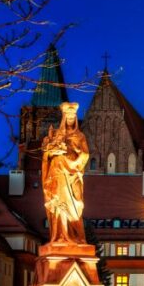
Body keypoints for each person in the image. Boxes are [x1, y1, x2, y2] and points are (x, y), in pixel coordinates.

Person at [42, 102, 90, 245]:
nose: (70, 118)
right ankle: (60, 236)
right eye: (68, 116)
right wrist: (51, 152)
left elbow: (86, 155)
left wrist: (77, 153)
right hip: (58, 173)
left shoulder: (80, 136)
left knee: (77, 204)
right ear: (64, 117)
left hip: (74, 174)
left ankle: (77, 237)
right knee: (59, 203)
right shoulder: (56, 135)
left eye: (72, 116)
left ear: (75, 118)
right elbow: (46, 156)